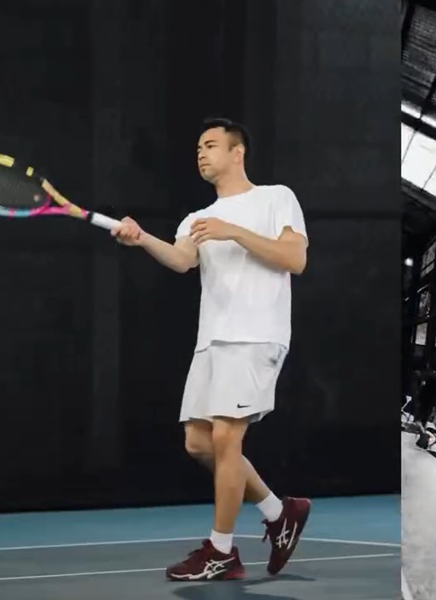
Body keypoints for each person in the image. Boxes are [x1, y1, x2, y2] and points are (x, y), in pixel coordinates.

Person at [111, 118, 312, 581]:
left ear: (237, 153)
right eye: (198, 147)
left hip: (256, 334)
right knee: (199, 443)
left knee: (225, 438)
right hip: (212, 341)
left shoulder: (275, 198)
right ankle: (279, 511)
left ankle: (222, 552)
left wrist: (234, 232)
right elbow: (182, 260)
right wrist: (140, 238)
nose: (201, 153)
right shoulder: (195, 220)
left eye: (211, 145)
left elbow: (295, 259)